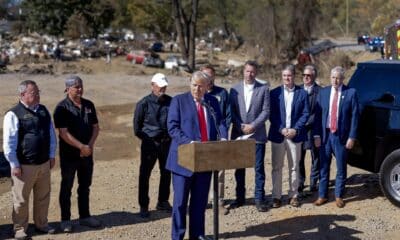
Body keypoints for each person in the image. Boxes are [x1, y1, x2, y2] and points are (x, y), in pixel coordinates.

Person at [166, 71, 228, 240]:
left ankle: (197, 235)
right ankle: (177, 236)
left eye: (201, 86)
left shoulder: (212, 102)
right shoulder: (178, 101)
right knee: (179, 203)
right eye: (194, 85)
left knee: (199, 202)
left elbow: (221, 122)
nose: (197, 89)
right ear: (190, 84)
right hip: (183, 160)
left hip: (205, 159)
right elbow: (172, 127)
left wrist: (223, 137)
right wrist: (189, 142)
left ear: (208, 87)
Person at [3, 80, 57, 240]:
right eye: (34, 93)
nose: (38, 95)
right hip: (24, 166)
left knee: (43, 196)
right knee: (21, 199)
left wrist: (52, 155)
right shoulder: (13, 114)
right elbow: (8, 143)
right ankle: (19, 228)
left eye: (38, 92)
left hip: (43, 163)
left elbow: (51, 134)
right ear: (22, 95)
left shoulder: (43, 110)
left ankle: (41, 224)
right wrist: (14, 164)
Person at [53, 76, 101, 232]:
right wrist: (81, 146)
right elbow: (63, 133)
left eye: (81, 86)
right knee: (67, 187)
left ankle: (85, 216)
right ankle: (65, 220)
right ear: (67, 89)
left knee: (85, 186)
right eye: (76, 87)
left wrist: (89, 146)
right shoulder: (62, 108)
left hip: (87, 154)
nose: (79, 89)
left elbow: (95, 127)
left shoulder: (89, 105)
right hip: (69, 156)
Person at [313, 66, 359, 208]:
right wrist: (316, 135)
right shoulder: (323, 92)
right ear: (330, 77)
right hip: (325, 136)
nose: (335, 80)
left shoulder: (350, 93)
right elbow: (317, 116)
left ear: (343, 79)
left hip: (341, 137)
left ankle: (338, 196)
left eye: (338, 78)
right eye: (333, 77)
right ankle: (322, 196)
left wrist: (352, 137)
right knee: (324, 167)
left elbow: (355, 117)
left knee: (341, 168)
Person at [229, 60, 270, 212]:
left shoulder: (264, 89)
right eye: (247, 71)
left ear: (256, 73)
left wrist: (253, 125)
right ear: (243, 71)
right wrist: (240, 125)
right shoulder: (234, 90)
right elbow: (231, 111)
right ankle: (240, 198)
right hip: (239, 134)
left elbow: (266, 111)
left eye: (252, 71)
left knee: (259, 168)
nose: (249, 74)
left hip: (257, 134)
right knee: (239, 169)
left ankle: (259, 199)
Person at [268, 64, 309, 208]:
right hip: (278, 135)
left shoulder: (302, 93)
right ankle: (276, 197)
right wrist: (281, 129)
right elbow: (271, 114)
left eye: (289, 75)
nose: (287, 78)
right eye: (284, 75)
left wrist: (295, 129)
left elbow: (305, 114)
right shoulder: (274, 93)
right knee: (277, 167)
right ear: (282, 76)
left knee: (294, 167)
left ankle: (293, 195)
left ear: (294, 76)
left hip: (294, 136)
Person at [133, 73, 172, 218]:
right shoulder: (143, 103)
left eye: (164, 87)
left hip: (167, 143)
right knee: (145, 174)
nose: (162, 89)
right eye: (160, 87)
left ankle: (162, 201)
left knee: (166, 172)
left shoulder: (171, 102)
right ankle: (143, 205)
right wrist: (148, 139)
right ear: (152, 85)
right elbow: (137, 128)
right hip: (150, 144)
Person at [200, 65, 230, 206]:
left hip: (219, 138)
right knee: (203, 169)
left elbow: (227, 115)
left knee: (219, 170)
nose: (209, 79)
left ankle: (218, 199)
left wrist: (223, 134)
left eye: (211, 76)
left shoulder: (222, 93)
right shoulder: (198, 94)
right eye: (205, 75)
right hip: (203, 138)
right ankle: (202, 199)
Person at [298, 64, 321, 193]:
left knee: (315, 157)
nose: (306, 77)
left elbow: (320, 112)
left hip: (314, 129)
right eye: (304, 75)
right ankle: (300, 182)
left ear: (314, 76)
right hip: (299, 130)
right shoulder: (297, 90)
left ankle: (314, 182)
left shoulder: (320, 92)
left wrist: (307, 121)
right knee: (299, 157)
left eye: (309, 75)